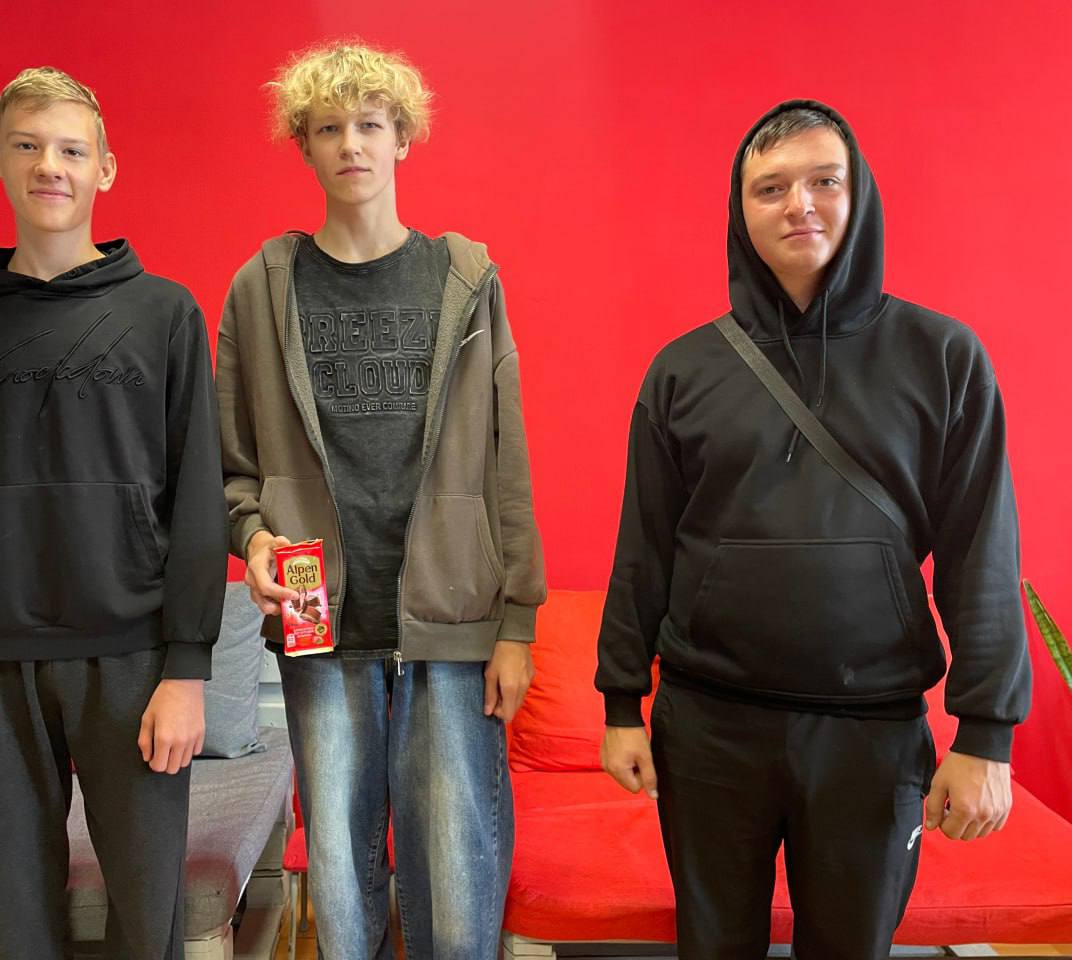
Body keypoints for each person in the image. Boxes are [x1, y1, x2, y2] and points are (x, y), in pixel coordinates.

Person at [596, 99, 1032, 959]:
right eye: (771, 188)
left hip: (872, 735)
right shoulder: (683, 370)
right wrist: (620, 704)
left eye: (823, 181)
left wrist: (986, 735)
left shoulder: (944, 357)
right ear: (741, 212)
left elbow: (982, 552)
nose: (799, 204)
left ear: (858, 194)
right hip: (709, 728)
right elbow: (642, 548)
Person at [216, 41, 546, 959]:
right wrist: (253, 539)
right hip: (319, 616)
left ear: (403, 138)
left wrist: (518, 623)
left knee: (458, 867)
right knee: (337, 865)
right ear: (304, 146)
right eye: (329, 128)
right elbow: (230, 467)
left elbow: (506, 460)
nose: (350, 144)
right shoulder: (261, 287)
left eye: (369, 124)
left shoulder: (466, 279)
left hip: (454, 613)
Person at [0, 66, 227, 960]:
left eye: (72, 150)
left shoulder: (165, 314)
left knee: (147, 921)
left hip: (134, 662)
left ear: (105, 168)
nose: (51, 165)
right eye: (29, 145)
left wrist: (187, 668)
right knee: (20, 925)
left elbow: (198, 502)